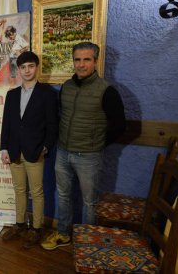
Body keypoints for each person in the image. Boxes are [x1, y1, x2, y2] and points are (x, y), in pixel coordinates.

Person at [41, 42, 126, 250]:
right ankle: (62, 234)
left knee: (90, 202)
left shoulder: (107, 91)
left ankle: (88, 244)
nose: (81, 64)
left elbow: (119, 125)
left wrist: (97, 143)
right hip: (63, 152)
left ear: (95, 62)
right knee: (63, 195)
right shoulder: (67, 87)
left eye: (86, 59)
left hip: (89, 156)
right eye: (77, 59)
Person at [0, 51, 59, 249]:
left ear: (36, 67)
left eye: (30, 66)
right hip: (14, 150)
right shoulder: (11, 94)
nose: (27, 70)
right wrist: (3, 148)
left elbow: (53, 125)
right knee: (19, 189)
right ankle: (19, 225)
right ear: (18, 69)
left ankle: (36, 228)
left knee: (37, 191)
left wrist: (46, 147)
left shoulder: (47, 93)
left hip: (35, 151)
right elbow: (6, 124)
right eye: (23, 67)